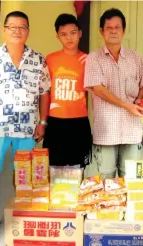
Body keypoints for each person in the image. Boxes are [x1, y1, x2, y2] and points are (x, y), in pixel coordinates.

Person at [84, 8, 143, 178]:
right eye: (108, 27)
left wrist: (140, 99)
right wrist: (127, 105)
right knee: (106, 179)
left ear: (123, 30)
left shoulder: (136, 57)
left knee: (131, 179)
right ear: (101, 31)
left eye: (117, 27)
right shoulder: (93, 58)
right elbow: (99, 89)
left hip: (132, 130)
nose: (113, 31)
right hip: (106, 131)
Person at [0, 11, 50, 172]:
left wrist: (42, 122)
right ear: (3, 30)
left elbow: (44, 92)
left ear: (28, 32)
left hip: (27, 128)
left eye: (22, 27)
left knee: (24, 176)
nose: (17, 31)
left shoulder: (38, 59)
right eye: (12, 27)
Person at [43, 14, 92, 168]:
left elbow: (95, 91)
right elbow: (45, 92)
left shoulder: (88, 60)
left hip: (79, 122)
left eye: (73, 32)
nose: (69, 38)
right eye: (63, 34)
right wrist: (43, 122)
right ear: (58, 37)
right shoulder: (50, 59)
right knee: (54, 169)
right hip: (55, 122)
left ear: (80, 33)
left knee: (77, 170)